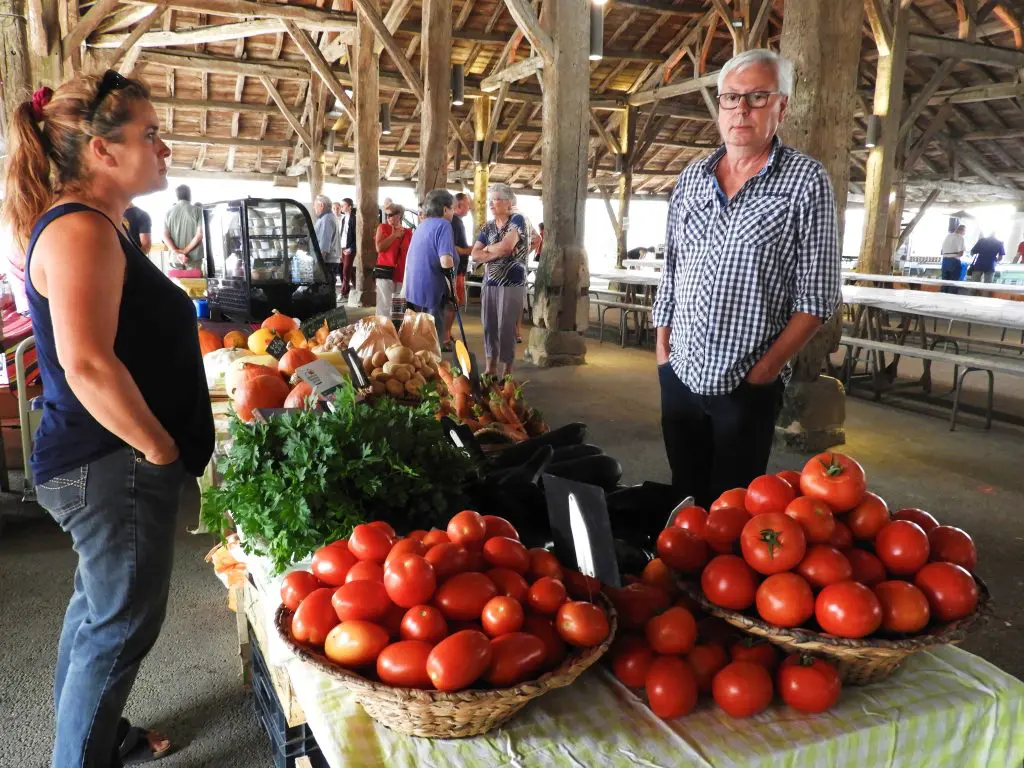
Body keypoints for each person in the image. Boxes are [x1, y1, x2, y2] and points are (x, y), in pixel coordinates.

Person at [0, 70, 214, 766]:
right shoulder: (81, 230)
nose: (164, 147)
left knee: (100, 611)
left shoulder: (96, 225)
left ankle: (96, 731)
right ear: (100, 150)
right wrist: (157, 449)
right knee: (120, 623)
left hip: (103, 459)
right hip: (108, 462)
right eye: (149, 135)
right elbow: (87, 364)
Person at [652, 48, 841, 509]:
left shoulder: (805, 181)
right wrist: (662, 350)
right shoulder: (692, 177)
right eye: (732, 97)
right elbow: (672, 268)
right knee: (685, 499)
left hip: (747, 381)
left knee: (732, 510)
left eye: (757, 97)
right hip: (680, 372)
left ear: (782, 106)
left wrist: (766, 370)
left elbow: (818, 296)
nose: (741, 109)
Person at [471, 183, 530, 377]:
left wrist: (487, 250)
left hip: (512, 284)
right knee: (489, 325)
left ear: (509, 202)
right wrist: (489, 252)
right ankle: (491, 368)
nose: (491, 203)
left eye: (496, 199)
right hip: (490, 283)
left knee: (506, 326)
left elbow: (507, 246)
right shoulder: (488, 226)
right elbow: (475, 254)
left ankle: (507, 370)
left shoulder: (518, 220)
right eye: (491, 199)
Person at [404, 189, 457, 334]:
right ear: (445, 209)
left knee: (418, 336)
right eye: (452, 209)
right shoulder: (444, 225)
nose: (453, 213)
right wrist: (453, 290)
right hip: (432, 291)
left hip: (414, 290)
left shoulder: (422, 225)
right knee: (432, 340)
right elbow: (446, 262)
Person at [445, 192, 474, 349]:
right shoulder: (454, 222)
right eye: (468, 205)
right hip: (455, 269)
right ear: (460, 205)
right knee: (452, 303)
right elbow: (452, 247)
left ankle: (447, 333)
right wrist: (468, 250)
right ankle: (445, 337)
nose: (469, 208)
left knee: (454, 303)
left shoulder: (455, 222)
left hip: (458, 269)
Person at [374, 204, 412, 319]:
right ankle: (382, 331)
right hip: (385, 271)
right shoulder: (383, 228)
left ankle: (396, 331)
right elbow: (379, 248)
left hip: (401, 272)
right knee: (383, 305)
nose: (387, 217)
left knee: (399, 307)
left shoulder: (408, 232)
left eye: (390, 215)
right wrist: (394, 235)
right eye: (386, 215)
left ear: (398, 215)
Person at [162, 184, 203, 270]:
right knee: (194, 283)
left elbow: (165, 236)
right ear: (189, 195)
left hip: (175, 259)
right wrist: (185, 251)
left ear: (177, 196)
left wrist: (177, 252)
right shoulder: (198, 211)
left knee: (176, 283)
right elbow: (199, 235)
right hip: (193, 258)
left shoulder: (168, 212)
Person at [312, 194, 339, 283]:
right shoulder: (328, 217)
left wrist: (319, 265)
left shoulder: (326, 219)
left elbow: (324, 243)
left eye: (315, 205)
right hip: (329, 260)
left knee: (325, 288)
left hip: (326, 261)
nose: (313, 207)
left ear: (321, 206)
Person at [320, 199, 343, 285]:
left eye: (338, 208)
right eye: (334, 208)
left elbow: (326, 239)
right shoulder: (330, 218)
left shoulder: (329, 219)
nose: (336, 210)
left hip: (336, 250)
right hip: (335, 249)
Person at [939, 224, 966, 294]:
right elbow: (961, 253)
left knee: (944, 283)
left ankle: (941, 299)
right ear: (962, 231)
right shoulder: (960, 238)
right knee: (953, 283)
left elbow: (942, 252)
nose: (964, 233)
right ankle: (950, 302)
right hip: (954, 261)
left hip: (944, 261)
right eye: (965, 231)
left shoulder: (948, 236)